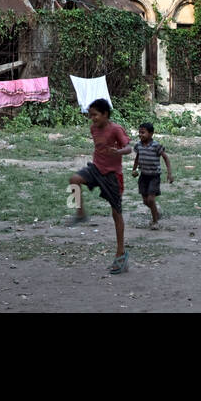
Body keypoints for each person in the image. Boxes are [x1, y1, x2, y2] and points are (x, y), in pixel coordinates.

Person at [67, 98, 134, 274]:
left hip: (112, 176)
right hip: (96, 169)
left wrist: (118, 151)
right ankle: (80, 213)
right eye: (90, 115)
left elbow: (129, 148)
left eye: (95, 115)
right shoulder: (93, 128)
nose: (92, 118)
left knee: (116, 213)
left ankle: (121, 253)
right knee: (74, 180)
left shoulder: (116, 129)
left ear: (105, 114)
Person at [131, 122, 173, 229]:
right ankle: (156, 212)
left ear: (151, 134)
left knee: (150, 199)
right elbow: (137, 158)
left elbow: (166, 158)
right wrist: (134, 169)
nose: (140, 135)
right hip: (143, 176)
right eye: (139, 132)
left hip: (154, 176)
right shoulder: (138, 145)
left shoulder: (156, 146)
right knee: (145, 201)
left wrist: (169, 173)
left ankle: (155, 222)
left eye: (143, 132)